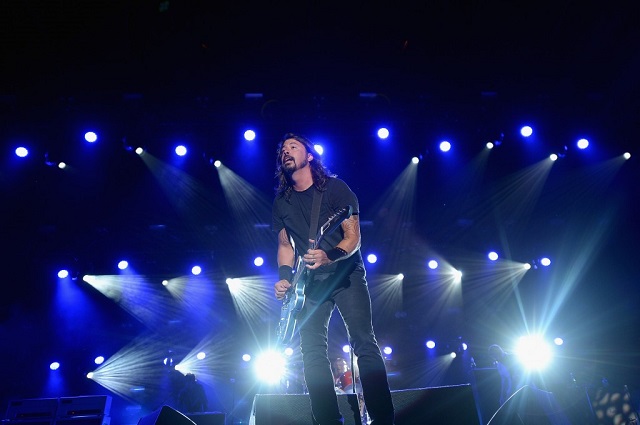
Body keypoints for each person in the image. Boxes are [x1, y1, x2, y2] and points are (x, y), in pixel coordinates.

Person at [273, 133, 395, 425]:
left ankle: (383, 418)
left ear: (309, 156)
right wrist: (284, 278)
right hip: (310, 284)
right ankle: (327, 420)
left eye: (293, 147)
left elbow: (354, 237)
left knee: (363, 342)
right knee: (311, 351)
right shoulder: (282, 202)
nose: (286, 152)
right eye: (282, 150)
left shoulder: (336, 189)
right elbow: (285, 245)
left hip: (345, 274)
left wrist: (330, 256)